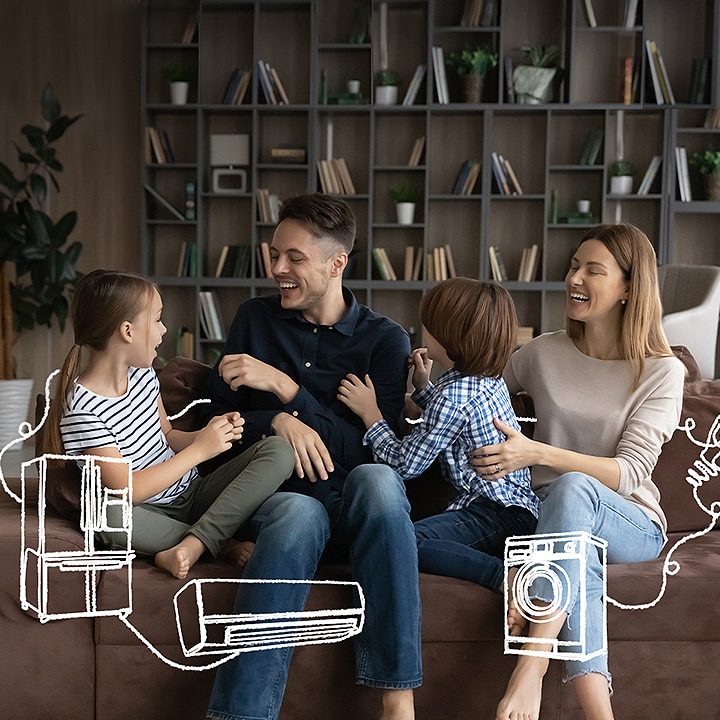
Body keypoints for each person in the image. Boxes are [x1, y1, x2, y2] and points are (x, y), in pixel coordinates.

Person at [201, 193, 420, 720]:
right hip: (275, 505)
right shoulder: (253, 320)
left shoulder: (383, 341)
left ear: (335, 263)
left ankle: (398, 700)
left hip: (353, 511)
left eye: (294, 258)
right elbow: (213, 432)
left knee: (379, 481)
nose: (278, 268)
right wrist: (274, 422)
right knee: (301, 511)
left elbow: (372, 451)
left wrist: (285, 390)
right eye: (275, 254)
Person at [468, 224, 685, 720]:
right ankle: (598, 713)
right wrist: (425, 385)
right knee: (575, 550)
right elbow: (477, 391)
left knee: (572, 491)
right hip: (552, 525)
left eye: (593, 270)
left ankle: (531, 669)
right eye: (573, 266)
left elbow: (629, 473)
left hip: (629, 521)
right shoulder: (543, 352)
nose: (574, 279)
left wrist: (538, 454)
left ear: (630, 287)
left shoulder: (660, 371)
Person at [44, 269, 295, 580]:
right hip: (145, 513)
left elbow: (167, 434)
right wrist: (201, 452)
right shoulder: (82, 410)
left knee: (279, 450)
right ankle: (216, 542)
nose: (164, 330)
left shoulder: (143, 376)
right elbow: (127, 490)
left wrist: (206, 435)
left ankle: (192, 543)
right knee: (108, 518)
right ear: (127, 331)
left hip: (192, 492)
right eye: (158, 319)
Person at [337, 277, 539, 592]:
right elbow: (456, 421)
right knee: (401, 540)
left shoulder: (453, 395)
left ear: (451, 337)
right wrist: (422, 388)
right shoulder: (484, 379)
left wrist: (370, 413)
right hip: (517, 511)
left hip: (495, 515)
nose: (423, 329)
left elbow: (404, 465)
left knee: (402, 542)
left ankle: (500, 576)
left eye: (429, 324)